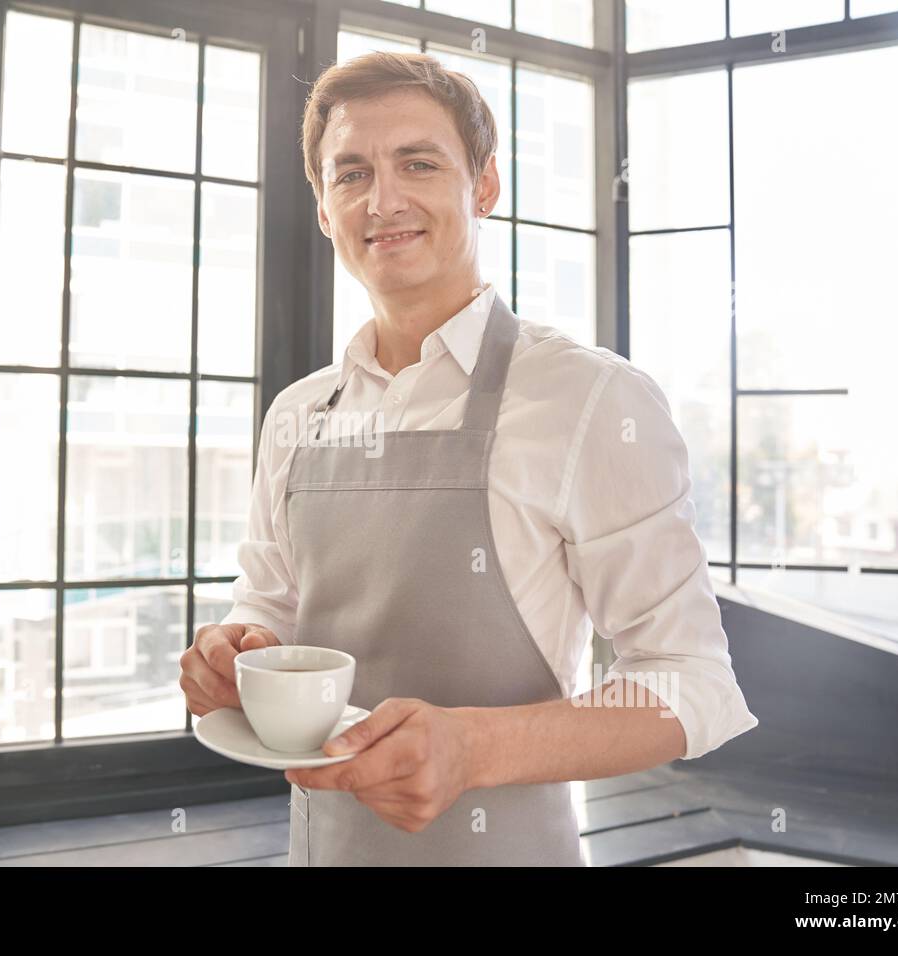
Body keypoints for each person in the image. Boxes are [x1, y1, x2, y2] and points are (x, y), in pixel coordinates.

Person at [178, 51, 757, 866]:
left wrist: (473, 748)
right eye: (351, 175)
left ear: (484, 185)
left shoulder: (589, 401)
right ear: (322, 208)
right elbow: (271, 608)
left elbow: (692, 682)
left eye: (418, 163)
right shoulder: (298, 415)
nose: (383, 201)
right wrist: (235, 655)